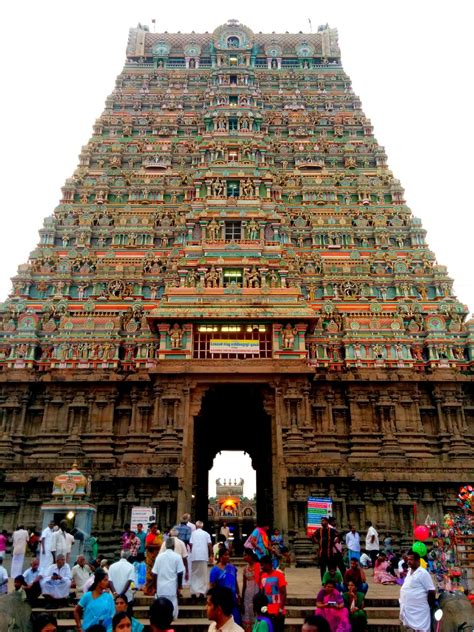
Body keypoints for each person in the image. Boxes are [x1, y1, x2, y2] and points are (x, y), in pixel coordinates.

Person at [399, 550, 436, 632]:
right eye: (408, 559)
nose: (408, 562)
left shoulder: (423, 573)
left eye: (411, 560)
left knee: (420, 629)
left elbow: (431, 591)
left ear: (418, 560)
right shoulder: (409, 572)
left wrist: (429, 604)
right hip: (408, 609)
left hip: (419, 611)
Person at [152, 537, 184, 619]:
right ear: (173, 546)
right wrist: (180, 586)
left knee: (160, 608)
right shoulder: (177, 557)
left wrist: (154, 587)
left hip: (161, 588)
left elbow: (154, 574)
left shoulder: (159, 557)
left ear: (165, 546)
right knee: (172, 609)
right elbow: (180, 573)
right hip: (171, 588)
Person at [209, 547, 241, 625]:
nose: (227, 557)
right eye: (225, 555)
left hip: (233, 599)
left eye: (228, 555)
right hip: (222, 601)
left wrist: (238, 595)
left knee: (235, 621)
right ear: (220, 556)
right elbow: (212, 586)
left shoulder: (232, 568)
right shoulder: (215, 570)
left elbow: (235, 581)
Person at [259, 555, 287, 632]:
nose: (261, 567)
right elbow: (262, 593)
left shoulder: (279, 575)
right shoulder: (263, 576)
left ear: (268, 564)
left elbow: (284, 593)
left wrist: (280, 609)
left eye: (262, 565)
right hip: (267, 611)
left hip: (278, 611)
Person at [189, 520, 212, 599]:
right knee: (203, 574)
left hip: (194, 555)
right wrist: (211, 554)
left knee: (194, 574)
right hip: (203, 555)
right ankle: (202, 592)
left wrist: (192, 552)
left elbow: (191, 544)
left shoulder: (192, 533)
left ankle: (193, 592)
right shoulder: (206, 534)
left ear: (196, 526)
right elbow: (209, 544)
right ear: (202, 526)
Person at [242, 550, 261, 632]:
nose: (244, 557)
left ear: (250, 556)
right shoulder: (245, 569)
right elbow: (244, 585)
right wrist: (242, 598)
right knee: (248, 613)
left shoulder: (259, 567)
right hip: (247, 595)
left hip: (257, 593)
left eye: (245, 555)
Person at [144, 523, 163, 596]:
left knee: (156, 574)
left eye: (156, 528)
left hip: (157, 558)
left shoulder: (158, 536)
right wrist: (157, 546)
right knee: (150, 575)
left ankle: (154, 589)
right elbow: (147, 545)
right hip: (151, 558)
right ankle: (148, 590)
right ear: (151, 528)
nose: (156, 529)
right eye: (154, 528)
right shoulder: (150, 536)